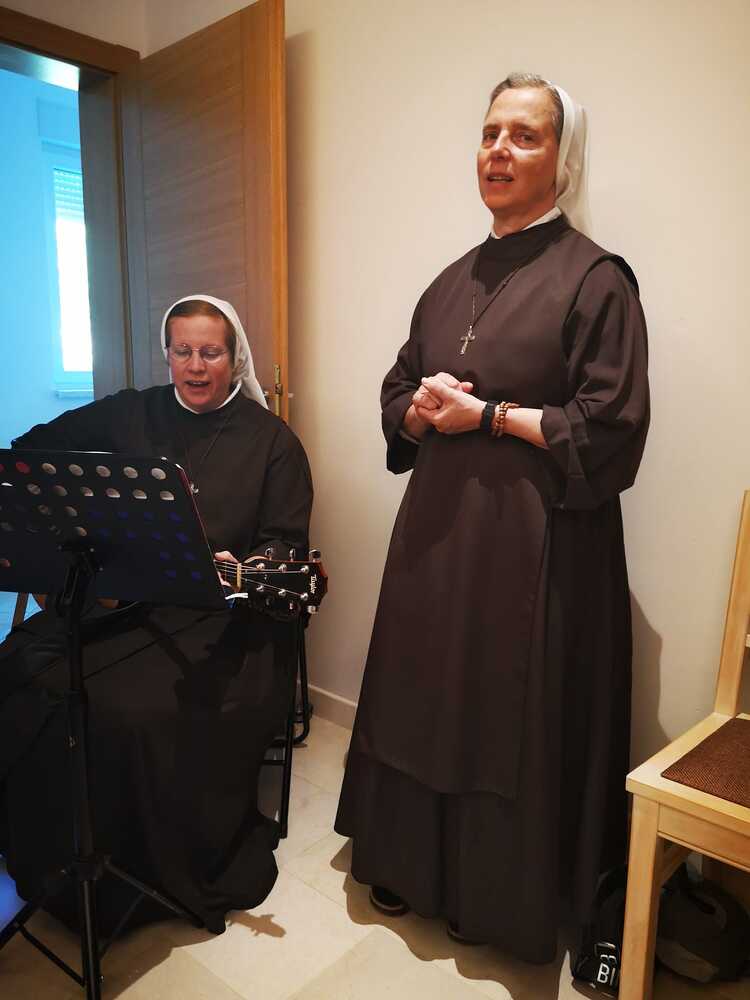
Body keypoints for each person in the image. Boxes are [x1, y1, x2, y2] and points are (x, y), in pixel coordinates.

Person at [335, 74, 649, 963]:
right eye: (489, 133)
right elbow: (399, 385)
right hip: (437, 534)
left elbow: (613, 427)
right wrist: (416, 409)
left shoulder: (597, 279)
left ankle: (494, 898)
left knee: (505, 714)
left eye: (524, 135)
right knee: (422, 694)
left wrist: (492, 417)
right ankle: (411, 865)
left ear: (563, 158)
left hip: (539, 547)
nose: (498, 151)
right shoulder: (447, 283)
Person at [0, 295, 313, 935]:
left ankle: (133, 879)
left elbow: (285, 547)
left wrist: (250, 562)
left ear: (234, 357)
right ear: (166, 353)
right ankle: (43, 853)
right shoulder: (131, 411)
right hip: (124, 602)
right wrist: (87, 513)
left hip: (221, 620)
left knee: (127, 713)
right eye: (183, 351)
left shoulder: (273, 443)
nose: (196, 366)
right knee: (21, 667)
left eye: (211, 352)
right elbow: (34, 453)